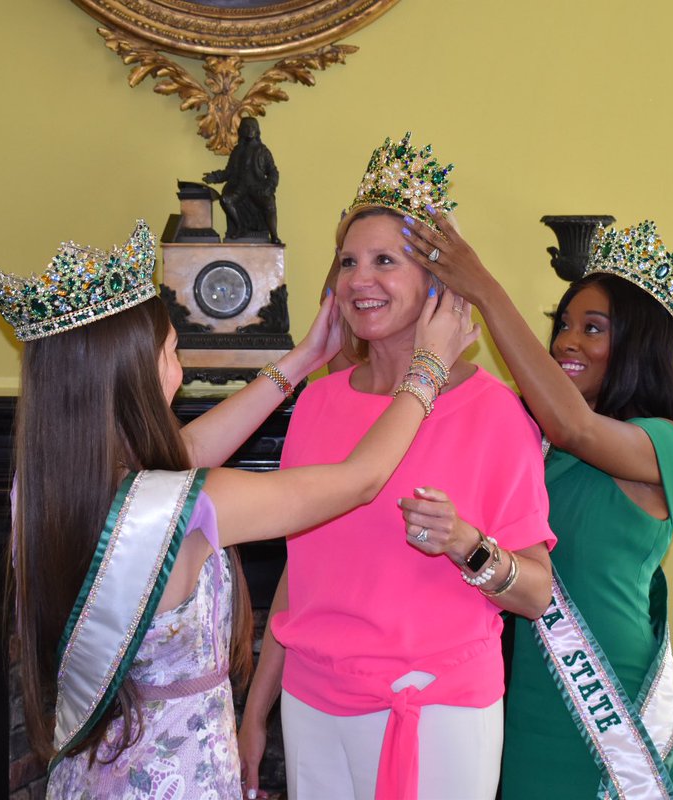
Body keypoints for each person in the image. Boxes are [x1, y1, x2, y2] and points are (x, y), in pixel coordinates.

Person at [0, 218, 477, 798]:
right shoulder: (181, 508)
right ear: (130, 376)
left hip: (91, 776)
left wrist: (301, 361)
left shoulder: (49, 487)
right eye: (171, 354)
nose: (181, 371)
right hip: (177, 778)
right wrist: (430, 368)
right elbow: (359, 479)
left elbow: (181, 457)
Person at [237, 133, 557, 800]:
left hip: (439, 711)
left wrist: (468, 545)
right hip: (314, 704)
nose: (360, 280)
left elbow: (537, 593)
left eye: (386, 260)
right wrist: (255, 713)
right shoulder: (318, 403)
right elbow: (302, 571)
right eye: (348, 261)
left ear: (435, 285)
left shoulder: (495, 412)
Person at [407, 216, 673, 798]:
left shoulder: (662, 443)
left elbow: (574, 425)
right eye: (564, 325)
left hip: (613, 697)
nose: (567, 342)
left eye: (593, 328)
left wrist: (484, 286)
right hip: (524, 686)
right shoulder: (534, 438)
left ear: (637, 345)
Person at [203, 117, 281, 243]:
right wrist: (215, 177)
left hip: (257, 187)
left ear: (257, 131)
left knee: (270, 204)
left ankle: (274, 235)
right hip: (240, 187)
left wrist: (269, 186)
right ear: (241, 131)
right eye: (247, 127)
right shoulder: (237, 151)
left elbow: (273, 172)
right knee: (225, 200)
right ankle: (240, 227)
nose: (250, 130)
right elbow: (228, 172)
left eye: (253, 127)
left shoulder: (263, 151)